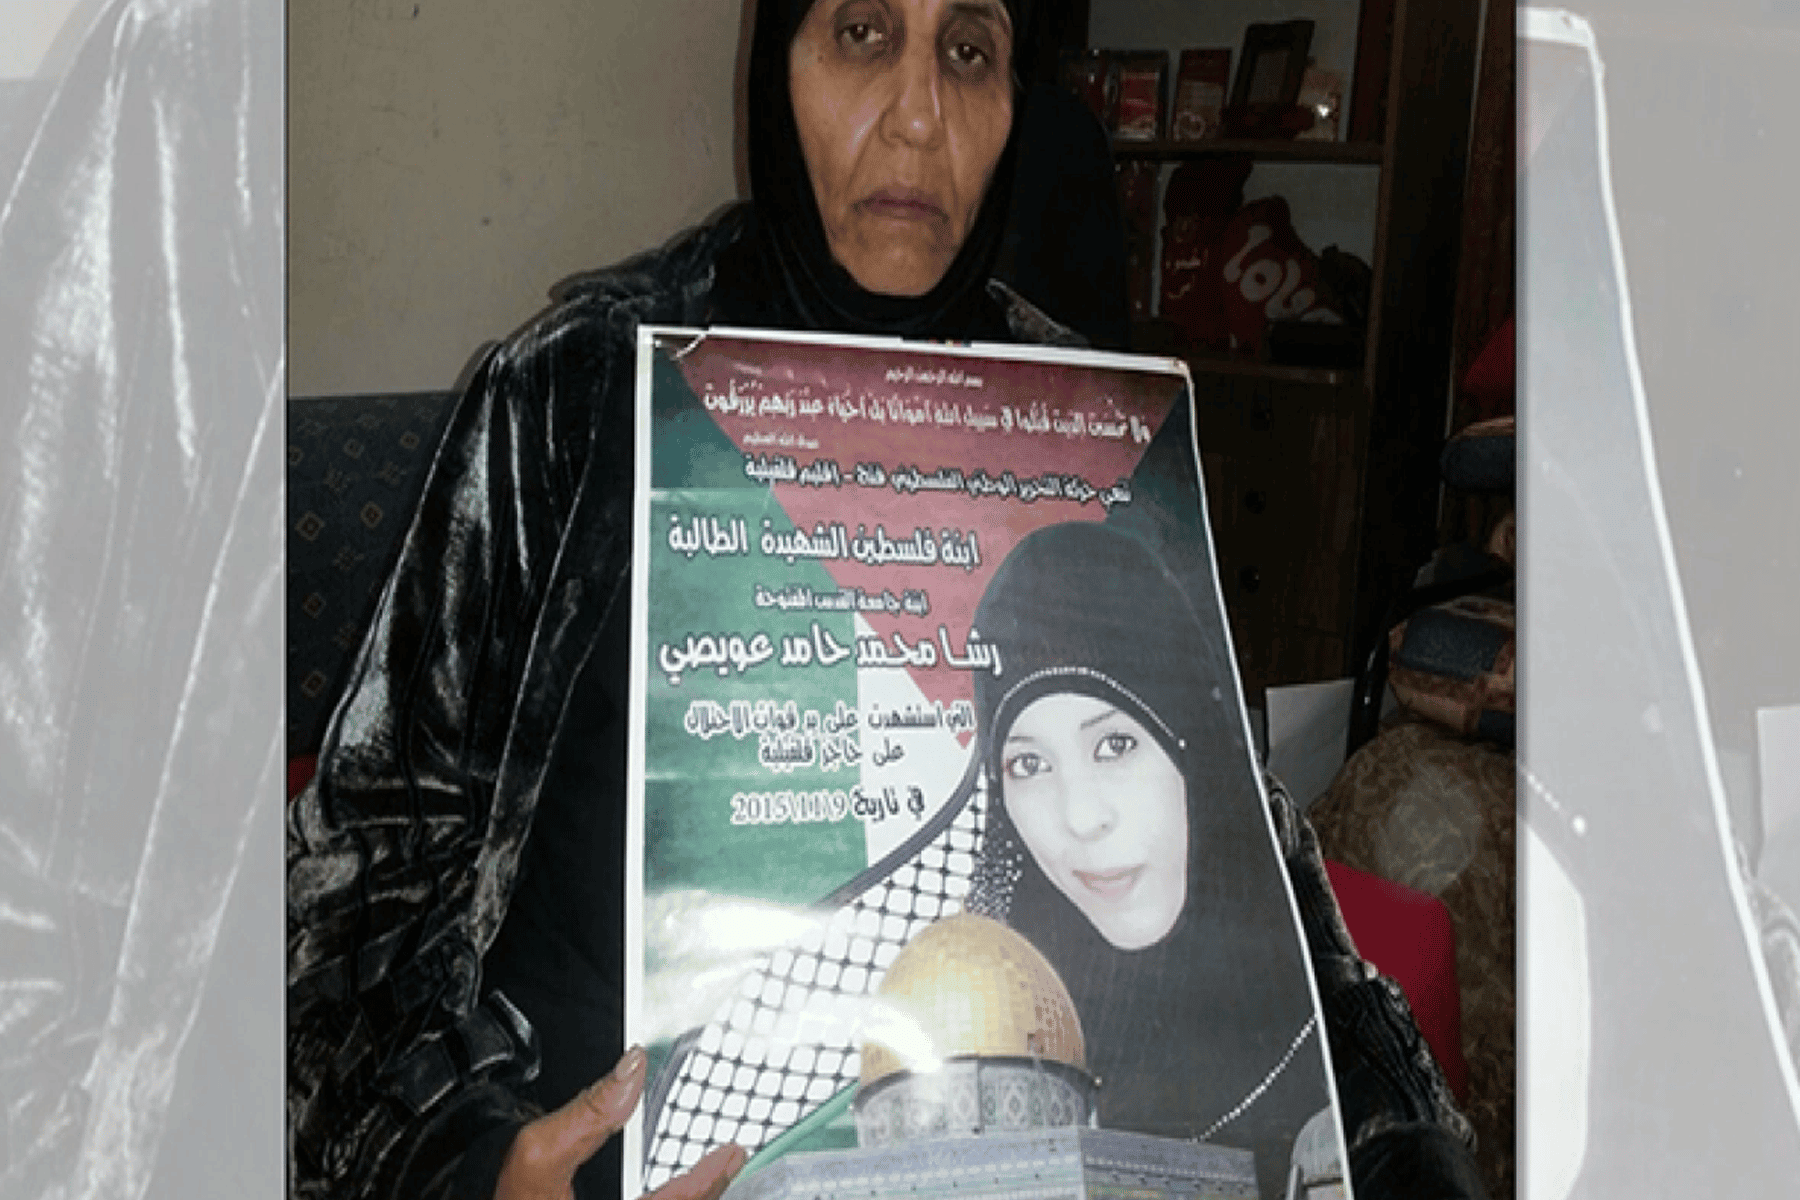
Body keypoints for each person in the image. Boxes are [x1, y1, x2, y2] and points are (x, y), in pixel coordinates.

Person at [286, 1, 1485, 1198]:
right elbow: (361, 872)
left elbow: (1275, 903)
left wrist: (1402, 1150)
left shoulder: (1091, 437)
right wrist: (462, 1154)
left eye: (968, 52)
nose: (919, 118)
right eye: (863, 34)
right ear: (776, 72)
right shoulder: (573, 395)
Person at [964, 521, 1331, 1195]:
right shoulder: (1003, 1006)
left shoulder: (1322, 1003)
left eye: (1114, 746)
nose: (1081, 818)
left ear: (1190, 737)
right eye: (1029, 764)